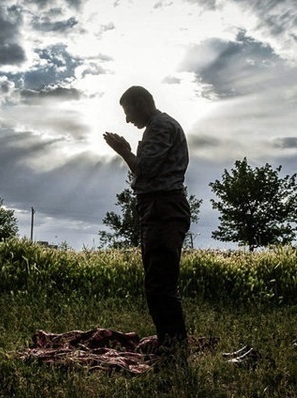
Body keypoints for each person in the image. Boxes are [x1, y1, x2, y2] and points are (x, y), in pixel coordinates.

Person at [103, 86, 191, 362]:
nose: (128, 120)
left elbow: (146, 169)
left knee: (160, 284)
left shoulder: (160, 127)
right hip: (159, 208)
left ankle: (173, 349)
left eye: (128, 111)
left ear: (141, 103)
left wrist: (124, 151)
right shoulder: (158, 127)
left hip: (163, 208)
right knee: (158, 281)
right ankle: (171, 344)